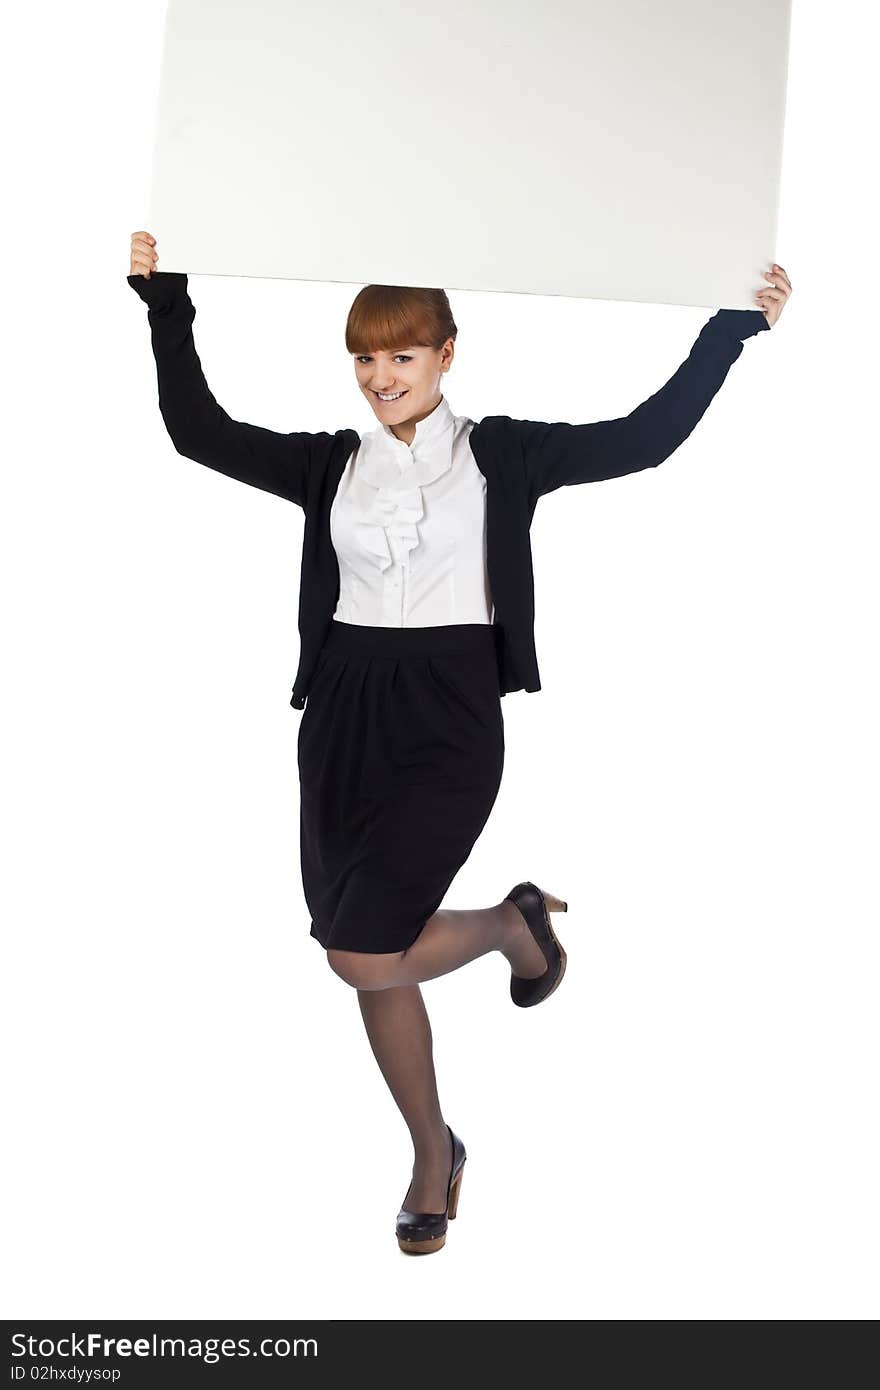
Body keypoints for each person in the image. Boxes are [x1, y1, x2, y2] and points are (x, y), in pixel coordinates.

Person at [127, 232, 792, 1253]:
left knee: (361, 953)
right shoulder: (329, 466)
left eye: (402, 354)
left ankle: (503, 926)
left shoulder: (505, 454)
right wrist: (164, 301)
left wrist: (729, 330)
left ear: (447, 353)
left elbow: (641, 438)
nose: (380, 377)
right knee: (375, 953)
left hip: (447, 715)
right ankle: (434, 1153)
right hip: (344, 712)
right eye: (365, 357)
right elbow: (196, 431)